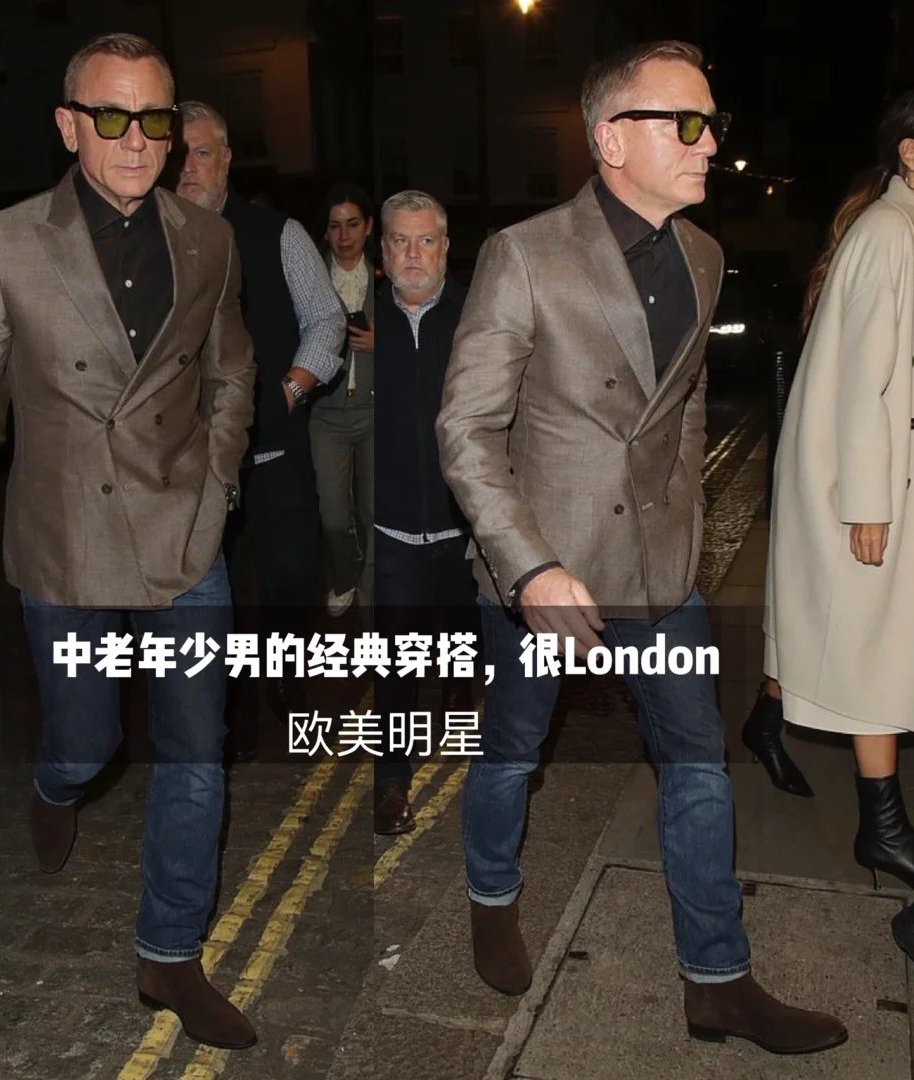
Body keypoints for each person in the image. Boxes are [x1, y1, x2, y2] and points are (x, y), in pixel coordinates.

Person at [436, 39, 847, 1054]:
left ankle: (718, 979)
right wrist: (530, 567)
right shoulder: (524, 254)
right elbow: (466, 429)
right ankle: (490, 895)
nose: (709, 144)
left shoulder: (702, 254)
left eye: (713, 123)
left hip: (661, 574)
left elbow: (686, 400)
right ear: (612, 139)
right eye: (687, 123)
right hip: (546, 568)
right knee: (510, 753)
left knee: (698, 766)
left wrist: (687, 515)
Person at [0, 34, 258, 1050]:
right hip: (64, 540)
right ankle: (55, 781)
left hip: (183, 536)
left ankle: (169, 954)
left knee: (196, 753)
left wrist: (219, 482)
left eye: (153, 119)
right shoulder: (6, 243)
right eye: (111, 117)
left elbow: (232, 370)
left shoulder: (208, 240)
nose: (135, 139)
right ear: (69, 126)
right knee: (90, 741)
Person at [764, 91, 914, 910]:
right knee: (869, 648)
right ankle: (882, 825)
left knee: (864, 641)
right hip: (872, 482)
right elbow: (866, 379)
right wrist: (867, 503)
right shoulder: (888, 233)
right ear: (909, 153)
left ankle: (769, 721)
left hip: (887, 472)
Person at [174, 101, 346, 755]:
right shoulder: (149, 240)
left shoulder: (278, 235)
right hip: (188, 466)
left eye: (202, 152)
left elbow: (326, 319)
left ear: (226, 160)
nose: (189, 167)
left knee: (290, 582)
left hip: (273, 455)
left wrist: (292, 389)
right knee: (209, 598)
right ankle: (227, 714)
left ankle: (287, 684)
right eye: (179, 155)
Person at [373, 190, 476, 835]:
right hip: (391, 529)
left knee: (467, 645)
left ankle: (466, 719)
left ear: (445, 248)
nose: (414, 254)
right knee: (394, 657)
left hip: (469, 527)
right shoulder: (355, 324)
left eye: (426, 241)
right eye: (400, 241)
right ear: (383, 251)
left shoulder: (478, 314)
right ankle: (390, 782)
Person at [310, 184, 376, 619]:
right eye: (335, 226)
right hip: (325, 412)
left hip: (375, 410)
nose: (344, 235)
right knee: (333, 514)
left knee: (373, 510)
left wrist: (381, 344)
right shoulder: (311, 278)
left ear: (368, 227)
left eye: (353, 224)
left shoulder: (388, 277)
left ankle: (369, 596)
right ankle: (345, 574)